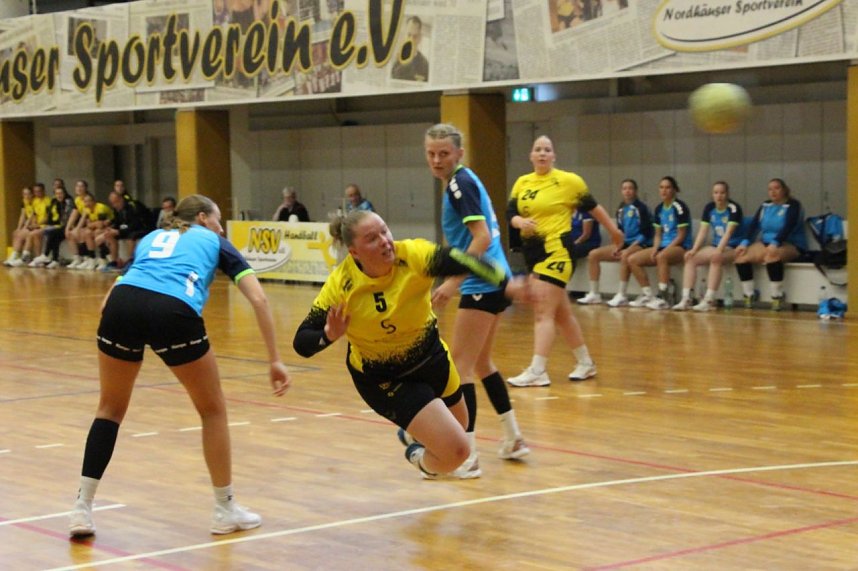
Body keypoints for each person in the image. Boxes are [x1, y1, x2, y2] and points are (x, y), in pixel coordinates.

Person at [68, 194, 289, 538]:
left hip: (122, 306)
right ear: (202, 218)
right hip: (173, 310)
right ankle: (224, 508)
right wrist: (275, 359)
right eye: (217, 219)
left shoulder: (151, 238)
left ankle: (81, 509)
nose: (220, 226)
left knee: (109, 410)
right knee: (212, 411)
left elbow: (106, 302)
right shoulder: (215, 240)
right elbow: (258, 298)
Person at [293, 210, 523, 479]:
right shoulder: (341, 286)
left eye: (384, 231)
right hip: (386, 379)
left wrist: (507, 284)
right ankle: (418, 458)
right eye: (371, 238)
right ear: (354, 252)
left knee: (459, 429)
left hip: (431, 358)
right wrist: (329, 335)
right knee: (458, 453)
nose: (384, 241)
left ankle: (411, 432)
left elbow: (463, 260)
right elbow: (302, 341)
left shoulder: (413, 254)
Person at [423, 123, 529, 473]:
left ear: (458, 154)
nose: (437, 160)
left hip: (481, 282)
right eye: (431, 153)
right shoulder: (464, 180)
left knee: (460, 369)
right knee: (482, 363)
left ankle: (466, 455)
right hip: (493, 280)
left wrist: (453, 282)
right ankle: (512, 438)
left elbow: (481, 238)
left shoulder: (458, 185)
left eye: (444, 154)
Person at [506, 135, 623, 387]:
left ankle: (538, 370)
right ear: (531, 155)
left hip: (557, 251)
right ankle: (585, 363)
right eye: (537, 149)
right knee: (561, 314)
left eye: (547, 150)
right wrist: (518, 222)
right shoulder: (522, 183)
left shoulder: (569, 181)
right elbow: (510, 213)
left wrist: (614, 232)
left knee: (542, 311)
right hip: (533, 253)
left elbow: (594, 208)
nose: (542, 153)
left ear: (554, 155)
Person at [734, 178, 807, 311]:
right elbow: (754, 226)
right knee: (741, 257)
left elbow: (789, 226)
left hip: (789, 243)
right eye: (770, 189)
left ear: (784, 189)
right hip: (766, 243)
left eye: (777, 188)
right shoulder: (765, 206)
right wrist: (744, 243)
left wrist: (775, 243)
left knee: (771, 256)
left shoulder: (793, 205)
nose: (773, 192)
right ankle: (749, 294)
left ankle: (777, 296)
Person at [579, 179, 653, 305]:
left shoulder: (641, 208)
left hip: (641, 244)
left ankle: (622, 294)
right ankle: (594, 293)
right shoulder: (621, 209)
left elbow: (646, 233)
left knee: (625, 256)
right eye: (624, 188)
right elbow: (620, 232)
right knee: (593, 255)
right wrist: (618, 246)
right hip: (625, 243)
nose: (627, 191)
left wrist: (628, 249)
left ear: (635, 191)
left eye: (630, 188)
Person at [672, 181, 744, 311]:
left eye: (722, 192)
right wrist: (694, 250)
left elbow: (728, 233)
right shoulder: (709, 208)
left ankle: (709, 300)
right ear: (712, 194)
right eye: (716, 193)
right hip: (716, 245)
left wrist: (719, 251)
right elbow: (703, 231)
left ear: (727, 194)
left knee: (716, 258)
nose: (719, 196)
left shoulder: (734, 208)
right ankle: (686, 298)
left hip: (733, 247)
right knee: (690, 258)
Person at [625, 176, 692, 310]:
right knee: (632, 259)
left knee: (662, 256)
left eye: (667, 187)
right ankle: (648, 295)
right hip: (662, 245)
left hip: (679, 246)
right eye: (661, 187)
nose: (664, 191)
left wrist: (666, 250)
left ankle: (664, 297)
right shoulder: (659, 209)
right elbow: (658, 234)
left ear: (674, 190)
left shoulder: (679, 207)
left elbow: (681, 235)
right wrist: (655, 248)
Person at [96, 190, 155, 270]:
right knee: (109, 236)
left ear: (121, 199)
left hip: (143, 228)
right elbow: (117, 222)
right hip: (126, 229)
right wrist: (111, 230)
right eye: (112, 203)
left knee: (131, 237)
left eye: (115, 202)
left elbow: (136, 224)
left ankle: (131, 261)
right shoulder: (117, 209)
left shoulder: (133, 206)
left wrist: (118, 231)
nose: (114, 205)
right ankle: (114, 262)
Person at [31, 184, 76, 268]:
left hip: (69, 226)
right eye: (57, 194)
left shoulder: (68, 202)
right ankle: (55, 259)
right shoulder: (57, 202)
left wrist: (65, 227)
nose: (59, 195)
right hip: (61, 226)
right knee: (55, 237)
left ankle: (45, 255)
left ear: (64, 193)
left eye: (61, 193)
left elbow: (68, 217)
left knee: (52, 233)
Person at [3, 187, 35, 267]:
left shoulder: (35, 202)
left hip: (35, 224)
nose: (26, 196)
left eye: (28, 194)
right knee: (16, 233)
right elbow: (23, 215)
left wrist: (25, 227)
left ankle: (25, 257)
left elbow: (32, 216)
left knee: (26, 233)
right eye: (24, 194)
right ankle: (15, 255)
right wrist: (19, 228)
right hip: (30, 224)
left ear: (32, 194)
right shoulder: (24, 202)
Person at [391, 16, 429, 82]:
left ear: (420, 38)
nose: (411, 40)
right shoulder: (395, 58)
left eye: (415, 36)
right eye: (409, 35)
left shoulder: (425, 64)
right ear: (405, 36)